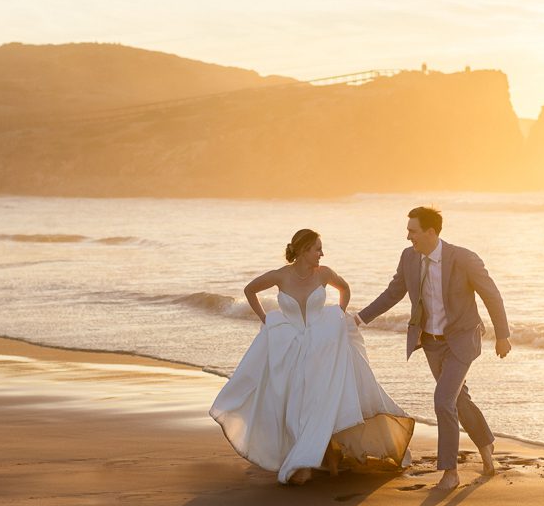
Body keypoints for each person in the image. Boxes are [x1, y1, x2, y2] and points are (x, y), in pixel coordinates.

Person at [210, 229, 414, 485]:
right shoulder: (280, 276)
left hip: (323, 343)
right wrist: (267, 319)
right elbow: (250, 290)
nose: (322, 253)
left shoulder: (324, 273)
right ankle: (308, 457)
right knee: (296, 401)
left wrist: (338, 316)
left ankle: (319, 459)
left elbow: (345, 289)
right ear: (304, 249)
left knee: (323, 398)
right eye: (317, 248)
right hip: (291, 344)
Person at [356, 207, 511, 491]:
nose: (407, 236)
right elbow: (394, 292)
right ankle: (487, 444)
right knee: (458, 400)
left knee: (443, 400)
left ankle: (450, 472)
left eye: (412, 231)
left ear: (430, 232)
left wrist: (503, 336)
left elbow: (491, 294)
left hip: (462, 339)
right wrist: (360, 318)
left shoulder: (463, 258)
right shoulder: (409, 258)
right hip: (431, 342)